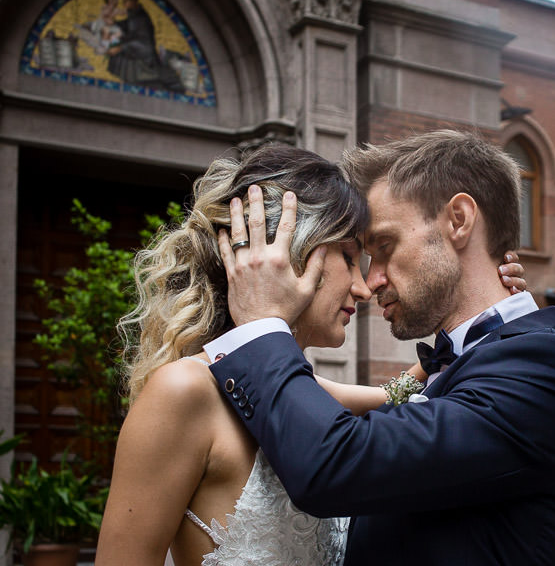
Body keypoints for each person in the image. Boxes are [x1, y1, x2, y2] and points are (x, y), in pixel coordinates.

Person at [94, 144, 527, 566]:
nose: (363, 287)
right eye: (348, 256)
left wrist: (488, 303)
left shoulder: (298, 394)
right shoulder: (183, 391)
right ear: (285, 253)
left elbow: (394, 397)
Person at [206, 129, 555, 565]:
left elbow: (336, 465)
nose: (371, 280)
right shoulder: (475, 358)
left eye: (384, 247)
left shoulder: (551, 369)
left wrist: (263, 325)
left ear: (459, 220)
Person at [106, 0, 184, 92]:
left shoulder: (142, 17)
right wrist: (115, 23)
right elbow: (128, 26)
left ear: (134, 1)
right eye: (123, 1)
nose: (124, 4)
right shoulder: (134, 15)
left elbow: (143, 41)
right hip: (133, 51)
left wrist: (121, 47)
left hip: (145, 58)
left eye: (126, 1)